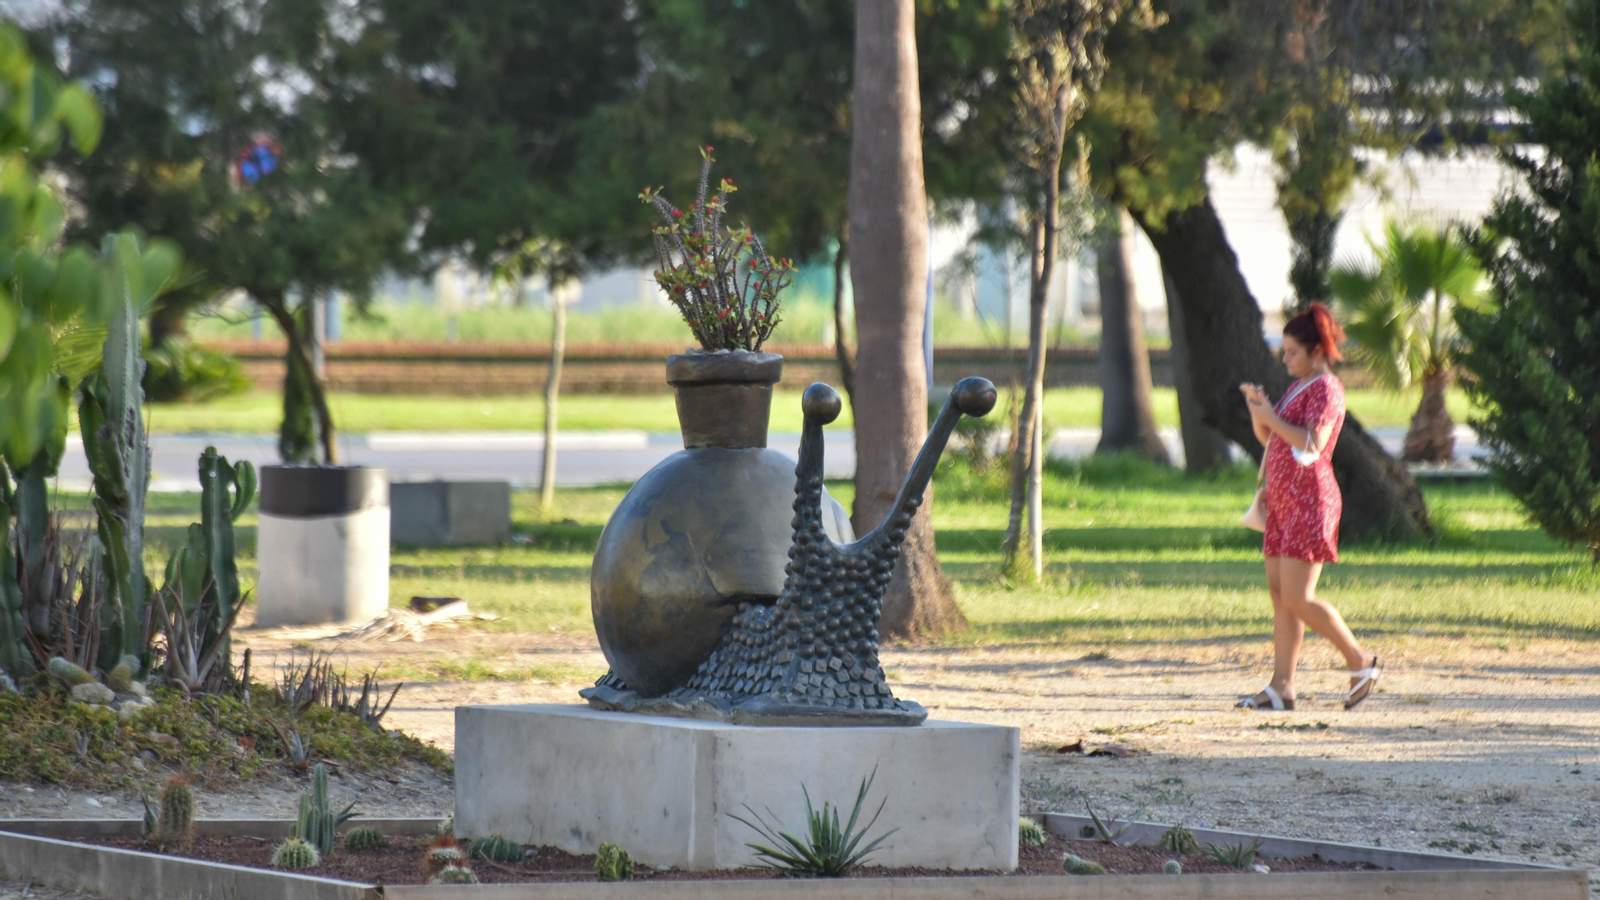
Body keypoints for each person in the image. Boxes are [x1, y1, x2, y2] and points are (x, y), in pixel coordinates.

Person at [1235, 303, 1379, 711]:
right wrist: (1259, 413)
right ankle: (1281, 687)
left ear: (1317, 352)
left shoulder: (1327, 389)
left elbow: (1313, 442)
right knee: (1281, 596)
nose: (1286, 359)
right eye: (1284, 351)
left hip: (1309, 502)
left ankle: (1360, 661)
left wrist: (1272, 418)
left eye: (1293, 352)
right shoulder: (1299, 386)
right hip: (1283, 502)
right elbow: (1275, 441)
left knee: (1298, 597)